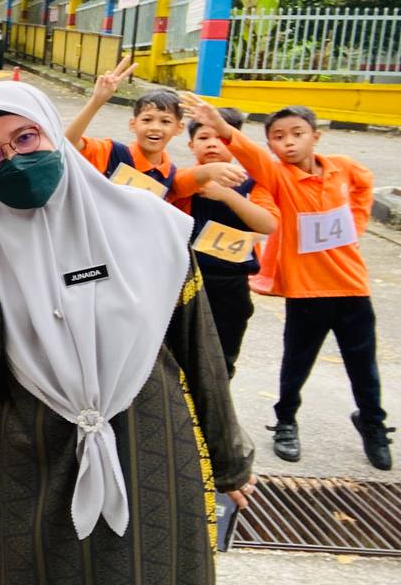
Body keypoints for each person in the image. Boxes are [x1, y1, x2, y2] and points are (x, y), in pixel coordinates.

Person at [0, 81, 255, 584]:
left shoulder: (148, 225)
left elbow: (200, 351)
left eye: (25, 138)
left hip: (150, 446)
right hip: (33, 457)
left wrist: (229, 462)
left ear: (54, 134)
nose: (14, 159)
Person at [188, 95, 394, 471]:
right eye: (279, 137)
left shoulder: (343, 167)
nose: (289, 142)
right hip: (306, 289)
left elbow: (364, 184)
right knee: (297, 362)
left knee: (363, 362)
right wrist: (221, 127)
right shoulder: (277, 176)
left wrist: (356, 222)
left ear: (316, 135)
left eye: (297, 133)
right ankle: (286, 421)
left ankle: (373, 423)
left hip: (353, 286)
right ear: (270, 145)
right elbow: (251, 157)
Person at [176, 107, 277, 378]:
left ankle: (217, 404)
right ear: (191, 145)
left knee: (221, 358)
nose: (212, 144)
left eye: (220, 138)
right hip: (185, 278)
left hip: (231, 284)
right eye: (203, 138)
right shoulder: (184, 180)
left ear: (234, 143)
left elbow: (268, 224)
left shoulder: (252, 184)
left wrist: (227, 195)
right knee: (179, 355)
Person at [66, 57, 245, 200]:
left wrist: (213, 170)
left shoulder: (170, 175)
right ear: (133, 124)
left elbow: (190, 179)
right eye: (147, 120)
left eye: (165, 122)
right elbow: (68, 143)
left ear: (179, 128)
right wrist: (97, 100)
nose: (155, 128)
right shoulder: (111, 152)